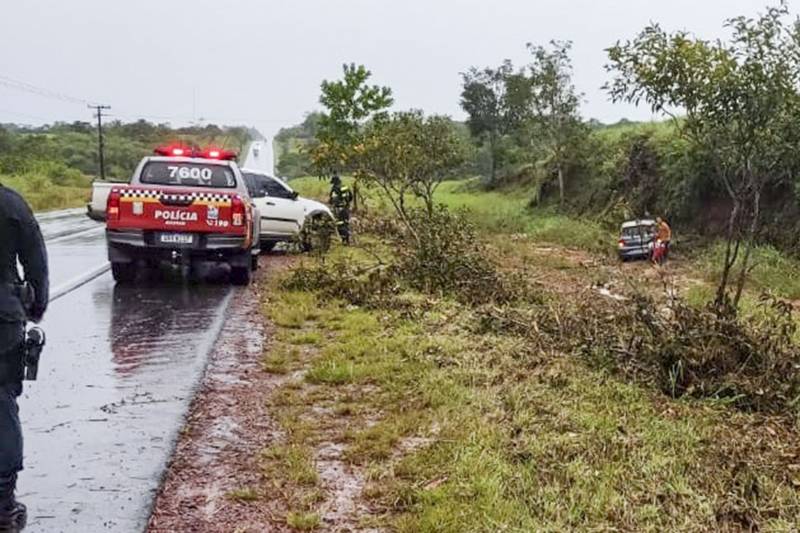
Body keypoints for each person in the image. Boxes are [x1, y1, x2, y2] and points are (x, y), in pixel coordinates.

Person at [0, 183, 49, 532]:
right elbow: (36, 262)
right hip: (2, 317)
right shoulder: (10, 203)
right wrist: (36, 306)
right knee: (1, 404)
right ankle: (3, 505)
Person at [329, 174, 353, 245]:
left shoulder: (335, 189)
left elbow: (333, 199)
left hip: (339, 208)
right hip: (346, 208)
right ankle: (348, 239)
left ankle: (344, 240)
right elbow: (351, 197)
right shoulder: (345, 187)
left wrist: (331, 203)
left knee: (340, 224)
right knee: (346, 222)